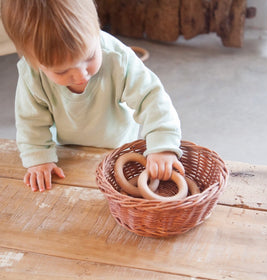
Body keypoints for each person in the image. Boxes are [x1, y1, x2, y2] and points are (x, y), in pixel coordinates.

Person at [1, 0, 184, 192]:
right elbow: (30, 121)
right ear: (36, 63)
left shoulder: (118, 58)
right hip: (67, 151)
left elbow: (152, 99)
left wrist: (162, 146)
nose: (81, 76)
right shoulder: (32, 75)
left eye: (89, 57)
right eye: (62, 72)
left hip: (117, 149)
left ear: (96, 28)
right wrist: (38, 159)